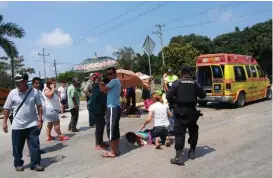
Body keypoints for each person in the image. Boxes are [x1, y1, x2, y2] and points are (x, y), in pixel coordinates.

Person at [2, 73, 44, 171]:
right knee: (17, 147)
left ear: (25, 81)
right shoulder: (13, 93)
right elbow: (7, 108)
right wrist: (4, 122)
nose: (17, 83)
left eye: (19, 81)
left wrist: (40, 119)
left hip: (32, 124)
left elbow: (39, 106)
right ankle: (18, 163)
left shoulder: (34, 92)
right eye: (16, 81)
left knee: (34, 145)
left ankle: (35, 163)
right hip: (17, 125)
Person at [166, 65, 206, 165]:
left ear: (181, 73)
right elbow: (203, 95)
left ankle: (178, 157)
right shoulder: (195, 83)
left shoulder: (177, 83)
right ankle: (192, 152)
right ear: (191, 74)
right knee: (193, 131)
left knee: (179, 133)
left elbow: (168, 95)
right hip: (192, 112)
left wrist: (174, 102)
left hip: (180, 112)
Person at [99, 67, 121, 158]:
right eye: (108, 74)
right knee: (115, 129)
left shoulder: (113, 81)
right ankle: (115, 150)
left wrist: (100, 81)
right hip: (116, 107)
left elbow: (101, 89)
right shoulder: (117, 82)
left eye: (111, 73)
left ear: (115, 73)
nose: (109, 75)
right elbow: (108, 92)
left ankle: (112, 151)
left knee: (111, 130)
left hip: (112, 108)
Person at [89, 73, 109, 150]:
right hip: (95, 109)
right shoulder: (97, 86)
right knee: (99, 125)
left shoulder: (98, 86)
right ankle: (98, 143)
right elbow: (101, 98)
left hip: (99, 108)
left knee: (102, 123)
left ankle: (100, 141)